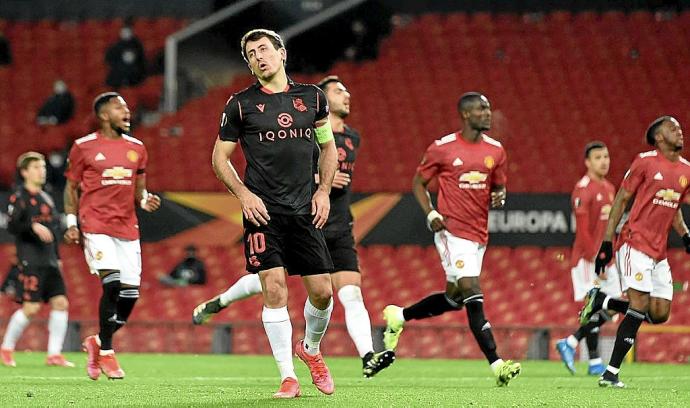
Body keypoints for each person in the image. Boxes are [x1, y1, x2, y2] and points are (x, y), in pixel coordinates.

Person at [192, 75, 395, 378]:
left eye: (347, 90)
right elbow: (287, 164)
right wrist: (316, 182)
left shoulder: (352, 137)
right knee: (272, 281)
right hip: (297, 213)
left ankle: (366, 355)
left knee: (345, 293)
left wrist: (324, 188)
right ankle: (224, 302)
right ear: (323, 100)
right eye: (339, 91)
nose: (346, 95)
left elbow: (327, 161)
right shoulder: (302, 126)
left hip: (337, 225)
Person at [210, 29, 338, 398]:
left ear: (281, 53)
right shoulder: (239, 104)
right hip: (262, 212)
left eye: (264, 49)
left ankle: (310, 350)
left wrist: (324, 191)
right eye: (251, 54)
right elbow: (220, 158)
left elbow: (328, 149)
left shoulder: (313, 98)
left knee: (323, 293)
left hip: (304, 209)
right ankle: (288, 377)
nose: (258, 57)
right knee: (275, 288)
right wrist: (243, 194)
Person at [382, 92, 521, 386]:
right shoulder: (442, 148)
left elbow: (499, 187)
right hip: (451, 230)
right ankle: (497, 364)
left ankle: (399, 316)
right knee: (472, 288)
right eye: (482, 109)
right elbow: (418, 183)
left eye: (488, 108)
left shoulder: (496, 151)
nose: (488, 113)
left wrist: (499, 196)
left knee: (455, 298)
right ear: (466, 114)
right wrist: (431, 213)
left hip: (479, 233)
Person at [580, 116, 690, 388]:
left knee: (659, 313)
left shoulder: (687, 170)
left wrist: (685, 234)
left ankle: (603, 302)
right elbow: (622, 199)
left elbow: (673, 206)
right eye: (672, 128)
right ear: (659, 137)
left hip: (659, 252)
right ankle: (611, 373)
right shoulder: (644, 162)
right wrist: (608, 241)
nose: (679, 131)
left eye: (679, 127)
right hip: (634, 242)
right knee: (639, 306)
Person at [63, 92, 161, 380]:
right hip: (95, 224)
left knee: (130, 296)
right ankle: (107, 352)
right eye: (120, 108)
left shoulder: (138, 148)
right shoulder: (83, 147)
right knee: (113, 282)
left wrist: (145, 201)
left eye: (128, 108)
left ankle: (97, 342)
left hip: (127, 228)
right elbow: (70, 188)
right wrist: (71, 223)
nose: (127, 112)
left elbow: (139, 190)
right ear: (104, 115)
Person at [1, 152, 73, 368]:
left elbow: (53, 233)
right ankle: (6, 348)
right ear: (24, 172)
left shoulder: (47, 197)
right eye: (35, 167)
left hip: (50, 260)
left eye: (42, 167)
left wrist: (58, 258)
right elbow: (13, 226)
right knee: (31, 308)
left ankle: (54, 354)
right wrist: (31, 225)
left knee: (61, 303)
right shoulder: (20, 196)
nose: (41, 170)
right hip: (31, 259)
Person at [555, 141, 621, 376]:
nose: (604, 161)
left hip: (605, 258)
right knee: (599, 307)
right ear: (587, 162)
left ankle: (573, 344)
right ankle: (593, 362)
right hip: (587, 260)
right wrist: (596, 259)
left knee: (612, 305)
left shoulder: (611, 188)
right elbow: (582, 231)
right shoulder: (583, 188)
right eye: (598, 157)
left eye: (606, 156)